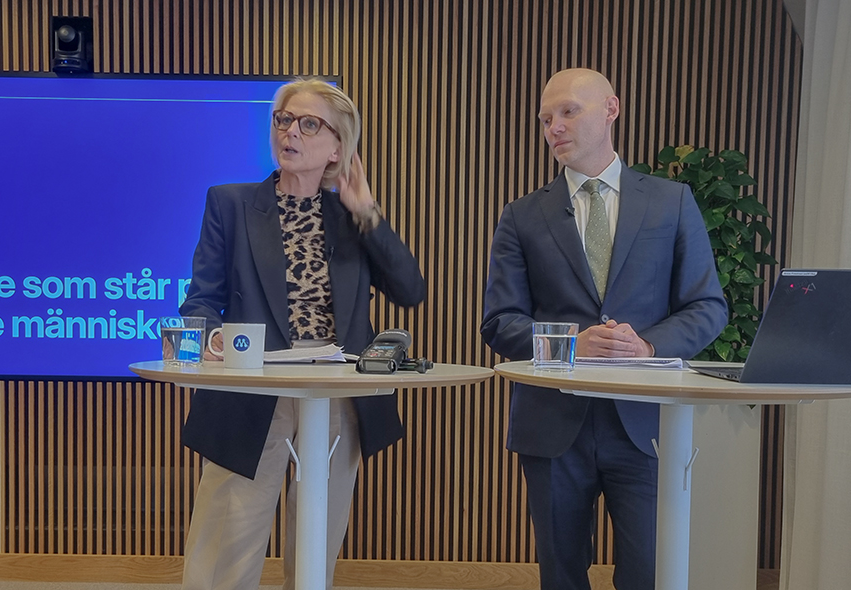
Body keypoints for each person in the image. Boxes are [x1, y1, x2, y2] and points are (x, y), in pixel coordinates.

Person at [480, 68, 727, 590]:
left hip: (645, 424)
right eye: (546, 118)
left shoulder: (671, 201)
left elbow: (707, 307)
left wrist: (648, 345)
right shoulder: (522, 215)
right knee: (561, 577)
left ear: (611, 109)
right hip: (553, 426)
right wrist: (570, 343)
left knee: (649, 574)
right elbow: (499, 322)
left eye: (568, 112)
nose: (554, 127)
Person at [177, 78, 426, 590]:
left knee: (316, 543)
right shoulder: (231, 203)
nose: (290, 131)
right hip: (252, 385)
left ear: (337, 146)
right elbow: (200, 299)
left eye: (309, 124)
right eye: (284, 119)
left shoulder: (351, 219)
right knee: (229, 543)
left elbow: (410, 290)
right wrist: (214, 338)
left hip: (334, 390)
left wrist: (367, 211)